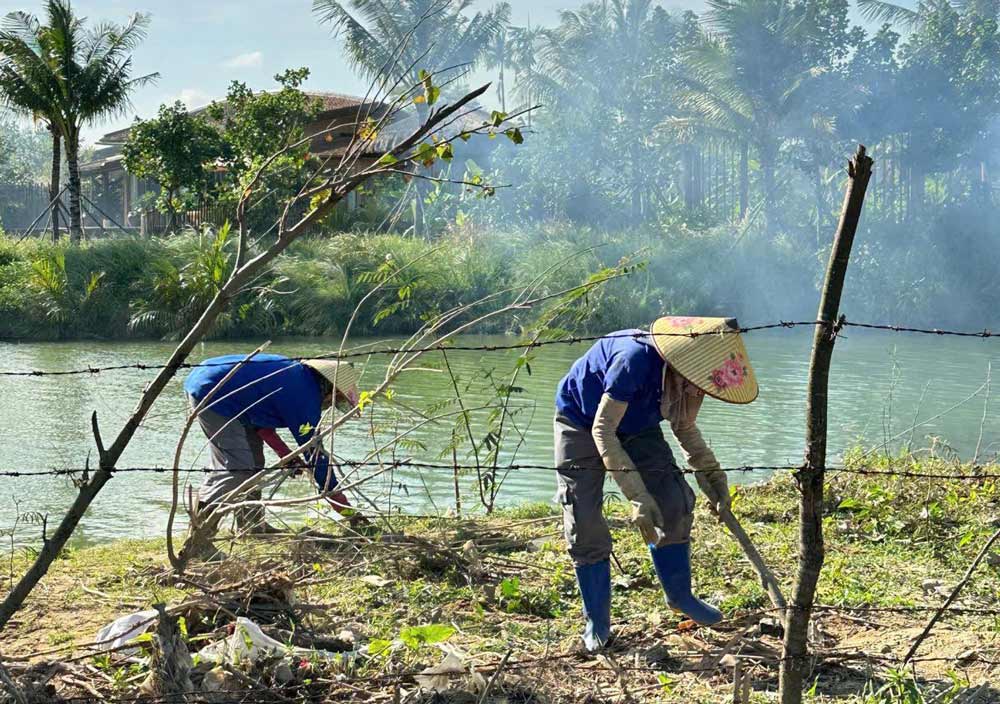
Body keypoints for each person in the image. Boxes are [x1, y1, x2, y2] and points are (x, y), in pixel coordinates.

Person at [554, 316, 758, 651]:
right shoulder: (633, 361)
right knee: (584, 517)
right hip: (581, 420)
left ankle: (680, 596)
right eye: (698, 384)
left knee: (674, 500)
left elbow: (685, 428)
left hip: (638, 425)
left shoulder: (694, 379)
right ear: (682, 365)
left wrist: (713, 477)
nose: (700, 392)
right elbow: (602, 432)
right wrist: (637, 497)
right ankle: (598, 623)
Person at [179, 353, 363, 559]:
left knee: (255, 463)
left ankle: (252, 525)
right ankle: (198, 542)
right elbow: (315, 455)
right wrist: (348, 511)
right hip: (213, 395)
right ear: (331, 390)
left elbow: (262, 425)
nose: (330, 405)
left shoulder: (296, 378)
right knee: (238, 468)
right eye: (336, 399)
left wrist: (286, 455)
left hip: (214, 384)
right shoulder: (305, 396)